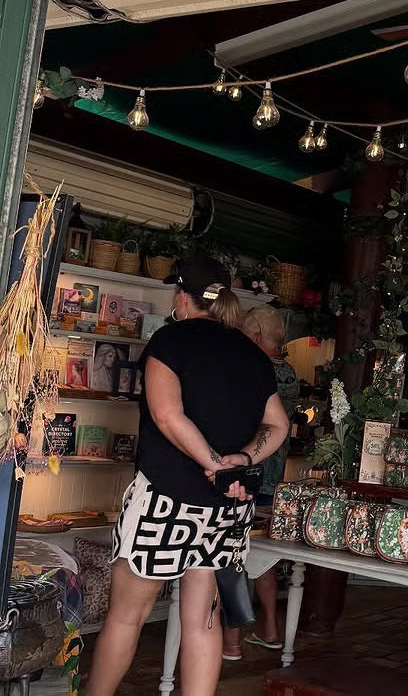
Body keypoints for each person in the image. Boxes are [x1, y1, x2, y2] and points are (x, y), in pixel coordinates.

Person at [86, 255, 290, 696]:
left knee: (127, 616)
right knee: (203, 620)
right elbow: (278, 425)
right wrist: (240, 459)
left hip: (166, 497)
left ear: (182, 296)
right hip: (226, 508)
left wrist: (212, 462)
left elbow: (167, 415)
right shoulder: (252, 354)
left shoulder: (170, 340)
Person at [222, 305, 299, 660]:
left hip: (243, 473)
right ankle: (269, 629)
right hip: (273, 479)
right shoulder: (289, 373)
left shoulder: (250, 367)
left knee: (229, 553)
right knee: (263, 558)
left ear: (253, 336)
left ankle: (231, 643)